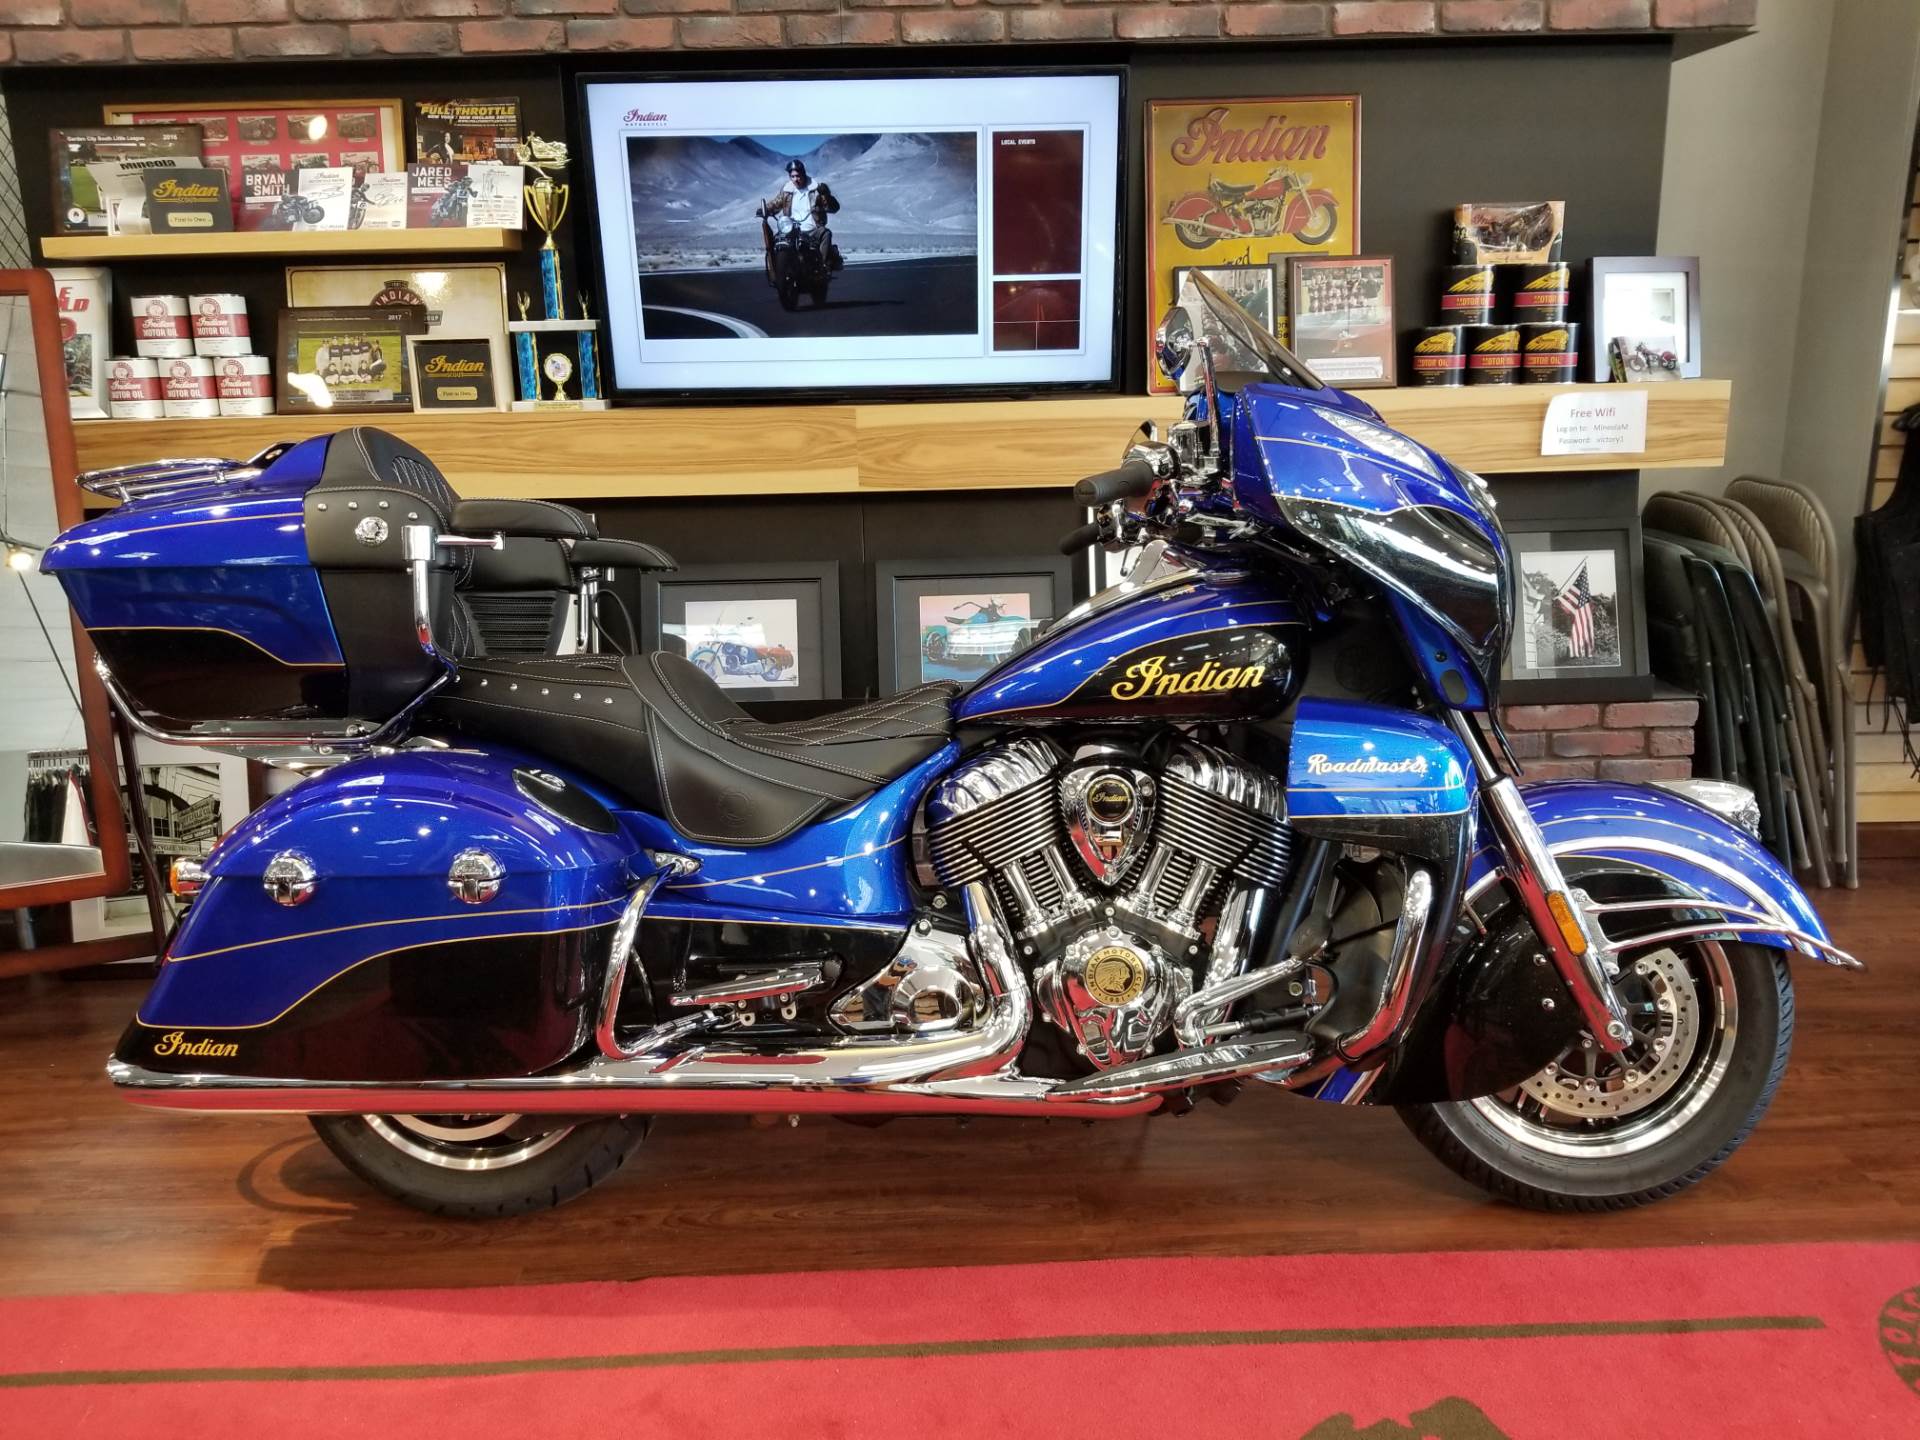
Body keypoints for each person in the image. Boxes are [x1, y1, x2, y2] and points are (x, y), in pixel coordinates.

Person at [762, 157, 843, 272]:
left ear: (804, 174)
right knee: (776, 241)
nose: (795, 179)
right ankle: (776, 271)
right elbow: (776, 203)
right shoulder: (787, 191)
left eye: (798, 176)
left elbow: (834, 208)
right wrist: (764, 209)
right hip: (791, 230)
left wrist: (826, 196)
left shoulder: (816, 190)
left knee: (826, 233)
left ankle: (823, 265)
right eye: (792, 176)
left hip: (813, 230)